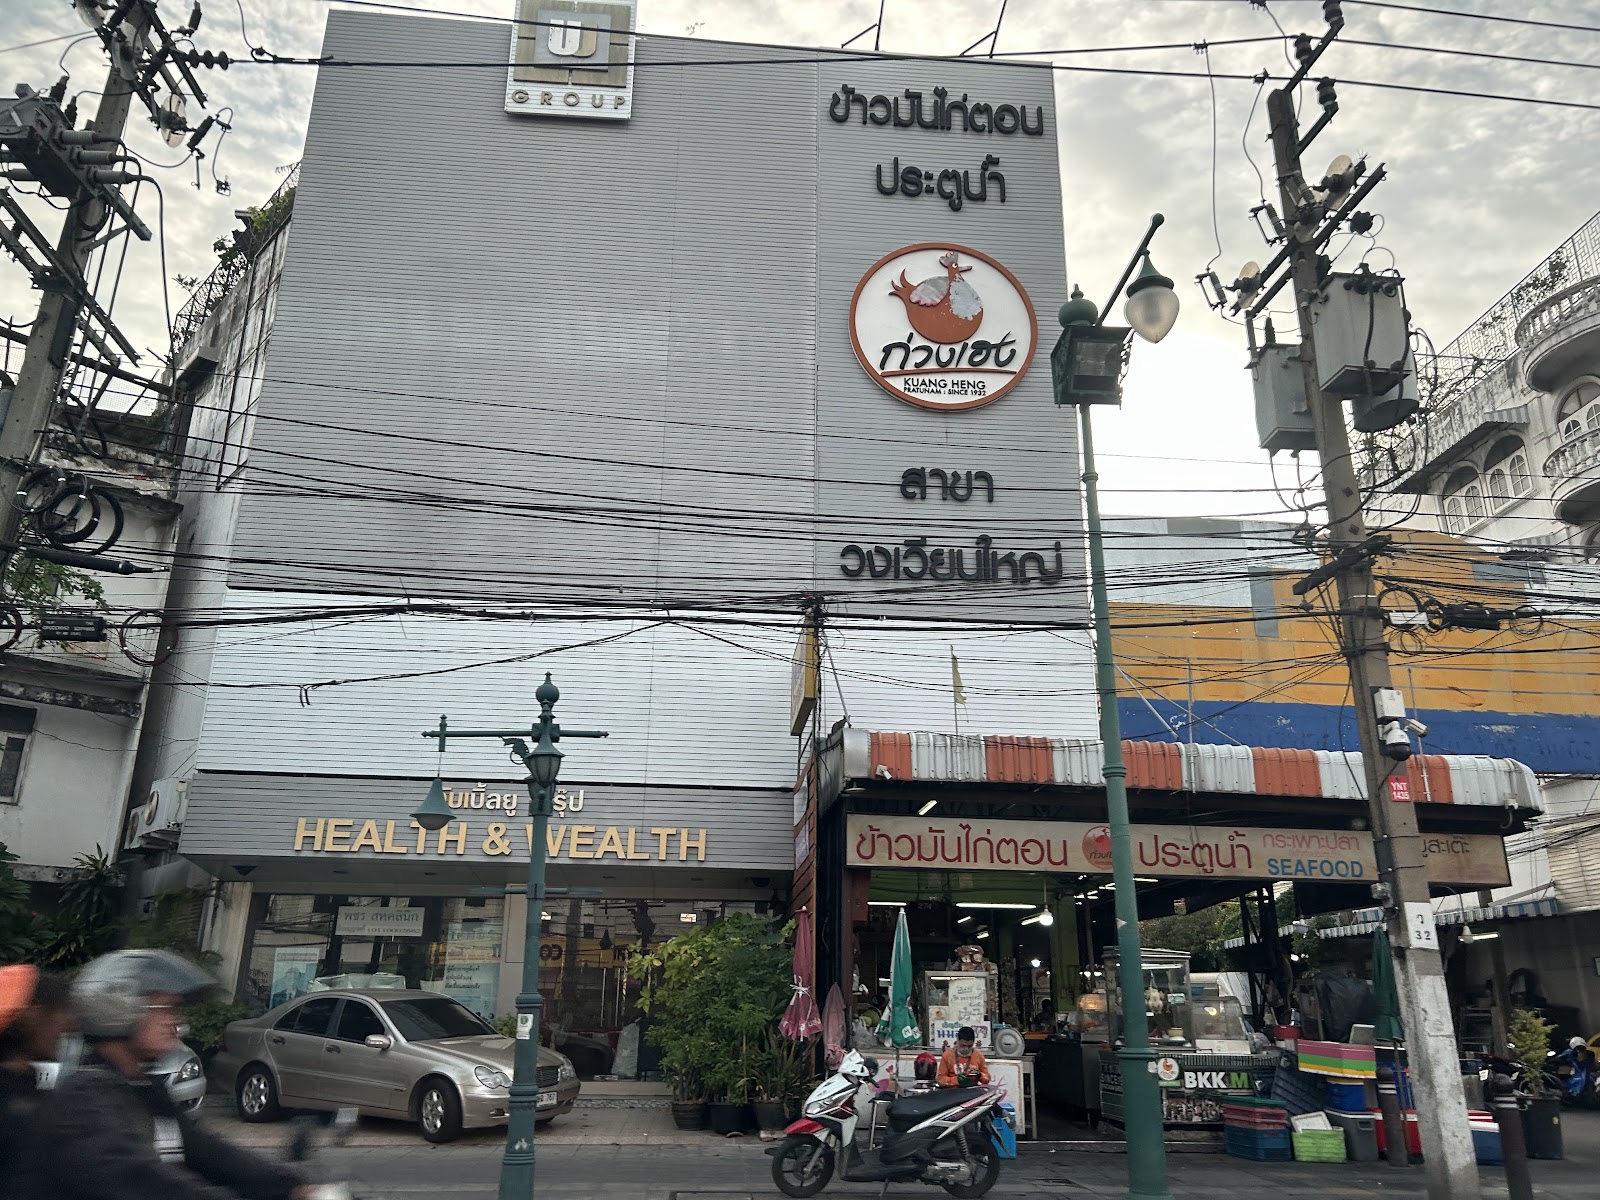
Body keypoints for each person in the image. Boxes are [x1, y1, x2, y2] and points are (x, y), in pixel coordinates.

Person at [22, 949, 312, 1200]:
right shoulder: (85, 1099)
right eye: (166, 1009)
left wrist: (292, 1187)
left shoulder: (144, 1089)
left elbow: (206, 1151)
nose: (176, 1022)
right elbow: (142, 1179)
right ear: (118, 1008)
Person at [0, 965, 73, 1186]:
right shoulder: (15, 1108)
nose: (67, 1023)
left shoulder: (27, 1088)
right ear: (33, 1015)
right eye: (59, 1010)